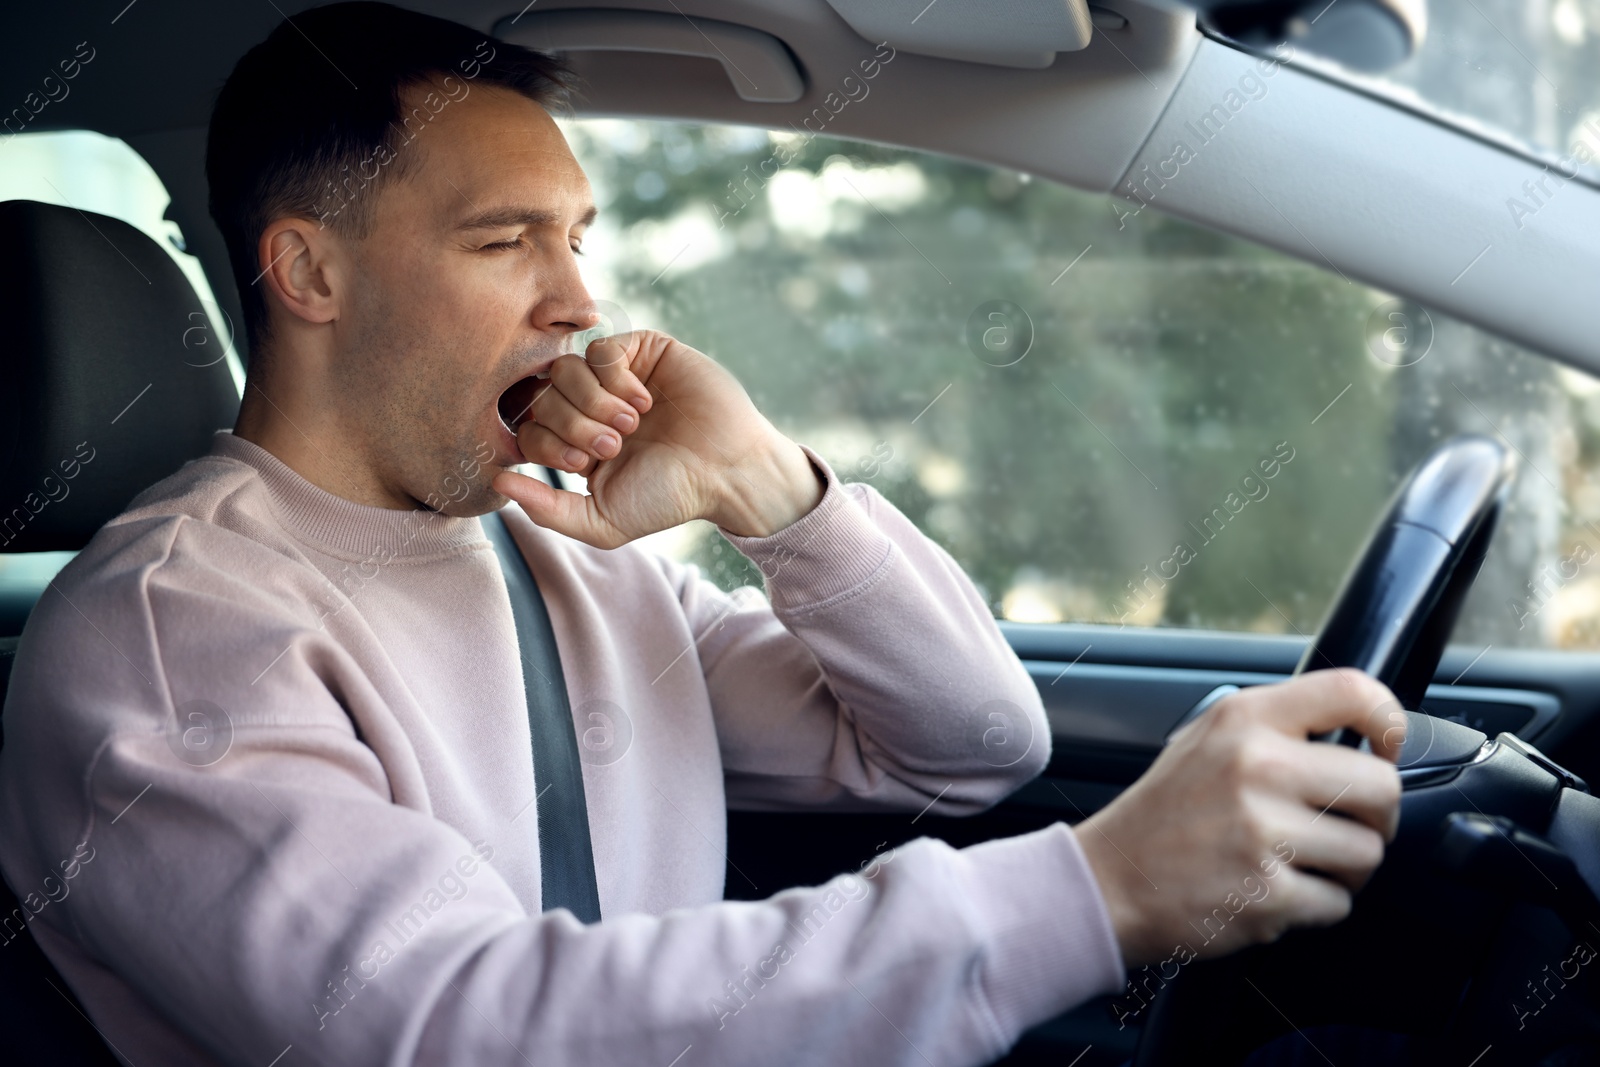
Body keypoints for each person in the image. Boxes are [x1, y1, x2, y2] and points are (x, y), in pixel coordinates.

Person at [0, 4, 1404, 1064]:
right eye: (506, 243)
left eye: (578, 238)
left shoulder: (552, 546)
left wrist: (767, 494)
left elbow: (973, 745)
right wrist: (1095, 890)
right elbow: (457, 1030)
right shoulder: (174, 635)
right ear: (309, 271)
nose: (575, 302)